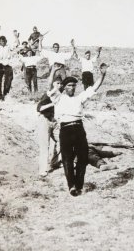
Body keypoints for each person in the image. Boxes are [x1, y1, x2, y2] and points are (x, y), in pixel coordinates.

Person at [47, 62, 108, 196]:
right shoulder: (58, 98)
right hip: (65, 130)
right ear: (64, 87)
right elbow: (49, 85)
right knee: (67, 159)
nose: (72, 88)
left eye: (74, 85)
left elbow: (94, 88)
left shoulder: (79, 98)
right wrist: (52, 71)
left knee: (83, 158)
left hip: (79, 129)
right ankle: (71, 186)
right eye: (69, 85)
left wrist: (102, 75)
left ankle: (79, 185)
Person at [36, 76, 63, 177]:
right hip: (44, 120)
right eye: (57, 83)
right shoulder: (47, 95)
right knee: (44, 145)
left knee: (62, 138)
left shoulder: (60, 95)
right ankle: (43, 169)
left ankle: (55, 162)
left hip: (54, 121)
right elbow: (39, 108)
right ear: (53, 84)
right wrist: (52, 104)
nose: (59, 85)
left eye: (60, 84)